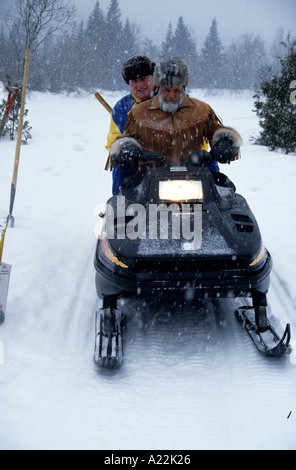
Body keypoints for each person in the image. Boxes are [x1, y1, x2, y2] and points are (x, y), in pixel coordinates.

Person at [110, 57, 242, 179]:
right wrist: (126, 147)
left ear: (183, 90)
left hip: (195, 172)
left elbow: (216, 131)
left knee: (224, 193)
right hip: (150, 174)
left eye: (176, 91)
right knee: (125, 195)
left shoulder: (201, 110)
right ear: (159, 89)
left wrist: (224, 141)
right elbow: (126, 138)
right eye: (166, 90)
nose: (171, 95)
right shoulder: (138, 113)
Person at [105, 55, 156, 195]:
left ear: (153, 77)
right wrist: (122, 148)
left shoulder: (171, 97)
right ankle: (120, 210)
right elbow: (113, 142)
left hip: (174, 160)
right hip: (138, 164)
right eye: (134, 81)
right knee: (121, 167)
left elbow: (196, 132)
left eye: (144, 79)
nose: (140, 86)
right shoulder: (121, 109)